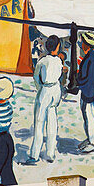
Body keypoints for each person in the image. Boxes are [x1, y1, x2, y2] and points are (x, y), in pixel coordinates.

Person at [27, 35, 65, 164]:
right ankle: (50, 153)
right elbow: (60, 76)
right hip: (55, 90)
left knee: (39, 122)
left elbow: (36, 77)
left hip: (45, 90)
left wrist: (40, 88)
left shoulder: (42, 61)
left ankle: (35, 154)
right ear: (57, 48)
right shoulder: (59, 61)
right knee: (52, 122)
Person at [75, 30, 94, 153]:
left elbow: (89, 78)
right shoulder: (91, 57)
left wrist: (78, 81)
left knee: (89, 116)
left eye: (83, 42)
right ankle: (91, 138)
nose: (81, 44)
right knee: (87, 115)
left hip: (88, 91)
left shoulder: (91, 58)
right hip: (88, 91)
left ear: (87, 44)